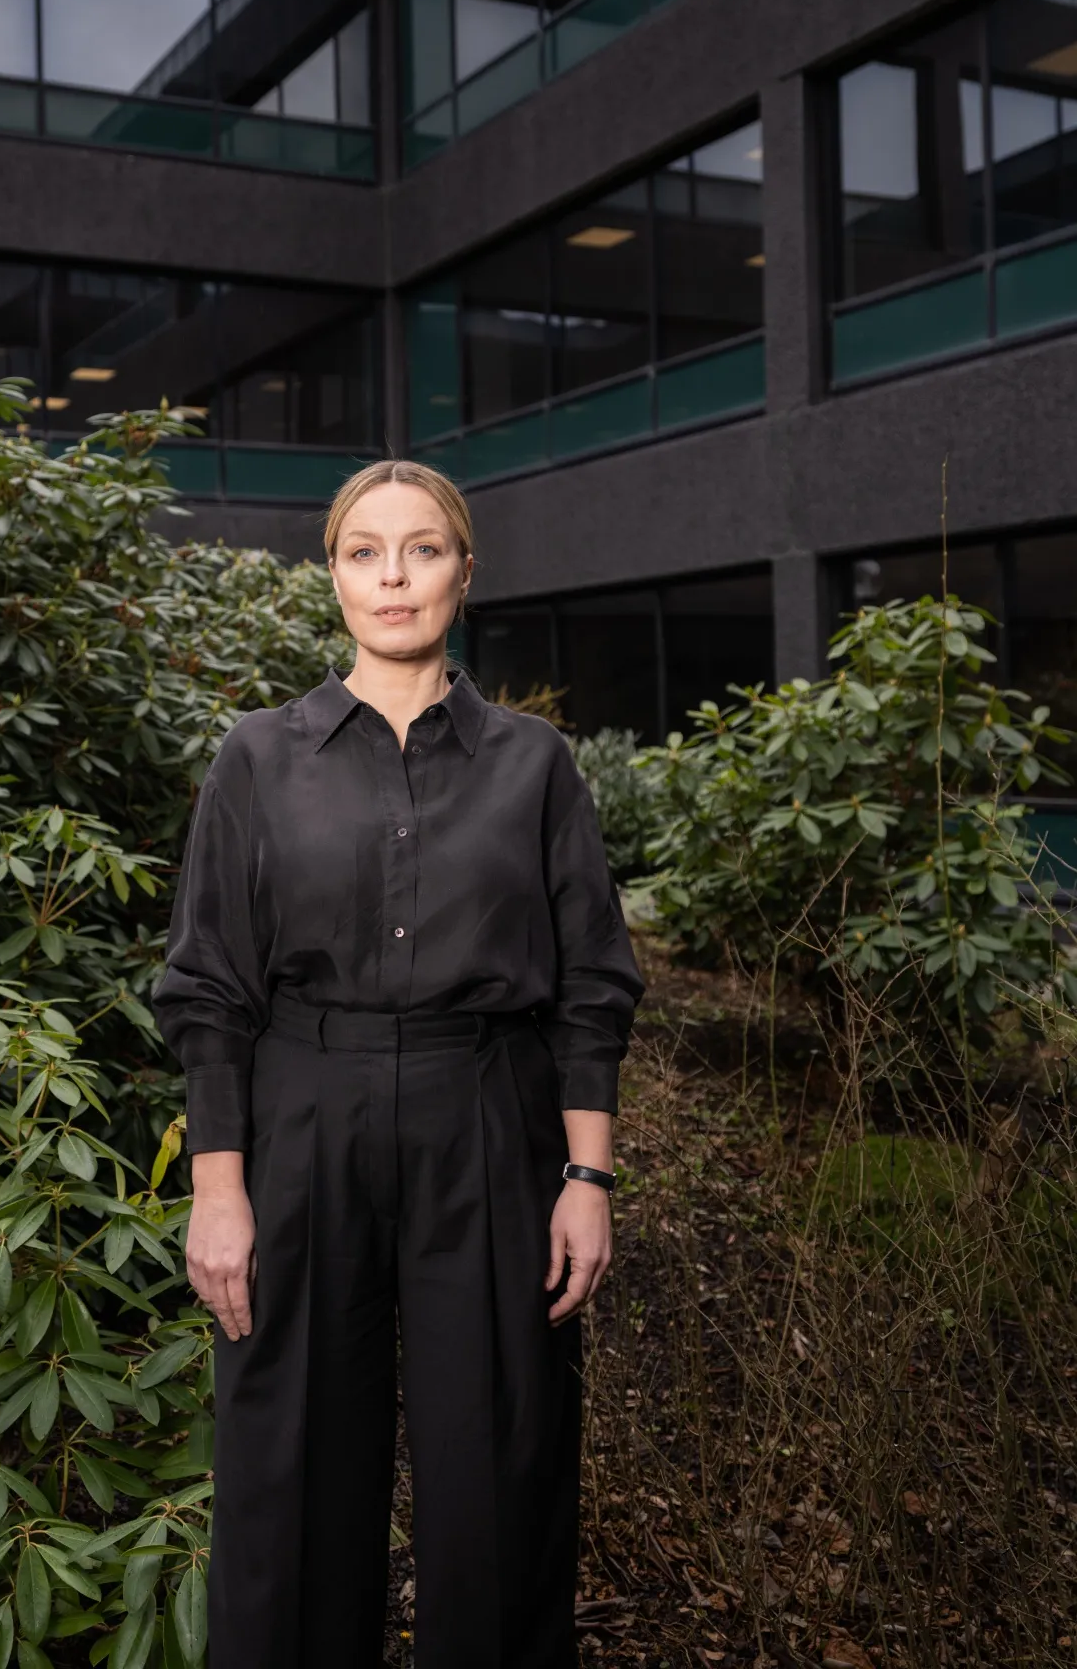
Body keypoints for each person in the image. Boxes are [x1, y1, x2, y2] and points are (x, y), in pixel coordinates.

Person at [152, 459, 645, 1669]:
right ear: (331, 574)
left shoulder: (535, 764)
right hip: (301, 1123)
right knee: (292, 1470)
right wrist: (219, 1190)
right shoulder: (256, 760)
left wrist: (589, 1180)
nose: (392, 575)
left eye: (421, 549)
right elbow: (209, 986)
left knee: (500, 1466)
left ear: (464, 574)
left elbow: (592, 983)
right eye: (365, 550)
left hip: (487, 1120)